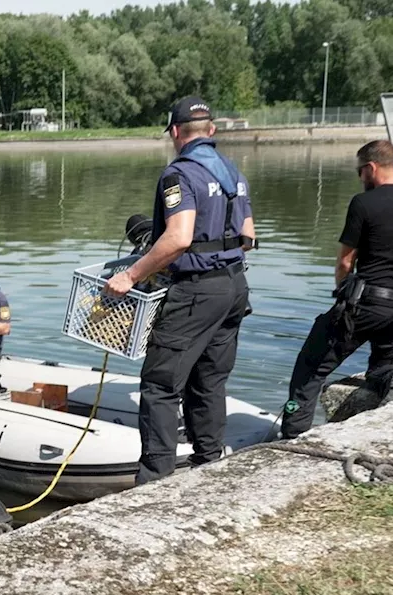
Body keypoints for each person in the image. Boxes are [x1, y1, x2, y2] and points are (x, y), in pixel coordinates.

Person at [103, 96, 256, 485]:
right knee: (209, 380)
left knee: (160, 385)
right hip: (235, 287)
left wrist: (131, 276)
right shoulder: (232, 172)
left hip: (197, 293)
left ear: (174, 132)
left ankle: (154, 482)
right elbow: (249, 237)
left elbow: (178, 237)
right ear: (212, 131)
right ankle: (209, 465)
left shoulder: (180, 174)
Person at [280, 140, 393, 439]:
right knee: (381, 369)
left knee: (310, 368)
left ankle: (292, 435)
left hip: (365, 304)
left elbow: (345, 262)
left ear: (371, 168)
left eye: (359, 172)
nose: (360, 179)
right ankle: (389, 379)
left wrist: (344, 293)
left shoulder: (364, 203)